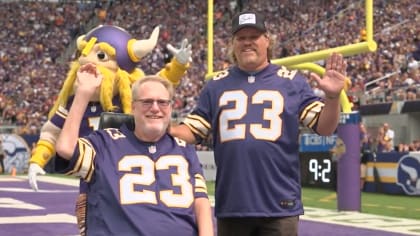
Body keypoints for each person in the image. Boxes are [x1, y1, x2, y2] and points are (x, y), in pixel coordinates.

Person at [170, 10, 346, 235]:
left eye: (254, 37)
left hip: (279, 205)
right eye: (241, 38)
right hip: (233, 205)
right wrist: (166, 127)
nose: (247, 43)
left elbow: (325, 127)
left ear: (267, 40)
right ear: (233, 44)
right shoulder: (215, 86)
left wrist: (332, 98)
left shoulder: (292, 82)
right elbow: (193, 131)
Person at [27, 25, 192, 236]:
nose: (88, 64)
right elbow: (51, 132)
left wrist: (177, 65)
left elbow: (158, 85)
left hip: (127, 174)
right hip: (90, 174)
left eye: (101, 56)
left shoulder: (129, 98)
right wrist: (37, 160)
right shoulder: (73, 101)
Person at [55, 69, 214, 236]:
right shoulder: (105, 144)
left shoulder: (184, 149)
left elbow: (201, 202)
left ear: (170, 107)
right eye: (147, 102)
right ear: (133, 107)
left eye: (162, 102)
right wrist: (83, 93)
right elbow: (66, 148)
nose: (155, 108)